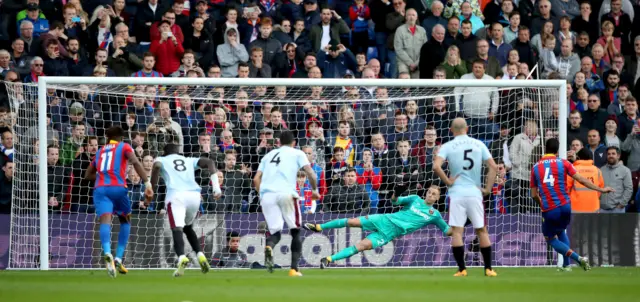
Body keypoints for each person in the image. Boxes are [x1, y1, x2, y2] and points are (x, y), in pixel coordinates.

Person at [305, 186, 451, 268]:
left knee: (361, 246)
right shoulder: (415, 199)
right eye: (429, 192)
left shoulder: (435, 215)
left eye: (434, 194)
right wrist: (396, 193)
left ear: (438, 197)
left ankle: (328, 259)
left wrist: (465, 223)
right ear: (426, 192)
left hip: (389, 234)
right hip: (384, 219)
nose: (430, 195)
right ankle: (319, 227)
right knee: (352, 221)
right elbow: (394, 202)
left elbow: (448, 231)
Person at [530, 138, 613, 271]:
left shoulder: (535, 167)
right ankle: (566, 265)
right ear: (557, 151)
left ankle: (578, 258)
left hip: (550, 208)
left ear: (545, 148)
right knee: (561, 231)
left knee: (550, 238)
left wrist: (541, 204)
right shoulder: (564, 163)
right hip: (565, 206)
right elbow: (581, 180)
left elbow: (534, 194)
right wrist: (601, 189)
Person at [432, 118, 498, 277]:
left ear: (451, 130)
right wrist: (488, 189)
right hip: (474, 193)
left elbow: (436, 166)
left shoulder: (447, 146)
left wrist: (448, 181)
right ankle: (488, 269)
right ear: (467, 128)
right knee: (482, 230)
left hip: (456, 193)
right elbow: (494, 166)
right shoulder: (479, 144)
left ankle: (462, 269)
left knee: (457, 231)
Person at [84, 126, 153, 278]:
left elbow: (87, 175)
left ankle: (107, 252)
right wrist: (147, 183)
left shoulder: (100, 151)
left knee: (105, 222)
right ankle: (119, 258)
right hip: (118, 188)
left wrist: (103, 177)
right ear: (121, 137)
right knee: (125, 221)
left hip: (101, 189)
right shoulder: (124, 146)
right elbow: (135, 162)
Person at [252, 130, 320, 277]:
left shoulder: (268, 156)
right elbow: (311, 173)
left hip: (267, 196)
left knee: (275, 232)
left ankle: (269, 246)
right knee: (295, 231)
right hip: (286, 194)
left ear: (278, 142)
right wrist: (314, 190)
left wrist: (262, 194)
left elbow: (256, 179)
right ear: (293, 143)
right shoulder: (297, 153)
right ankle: (294, 269)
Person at [149, 143, 221, 276]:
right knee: (188, 227)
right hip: (194, 197)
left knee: (176, 229)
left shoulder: (161, 159)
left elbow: (157, 166)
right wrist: (216, 187)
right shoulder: (188, 160)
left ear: (164, 153)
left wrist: (150, 189)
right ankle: (200, 255)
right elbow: (210, 162)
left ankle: (182, 258)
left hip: (176, 196)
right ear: (178, 152)